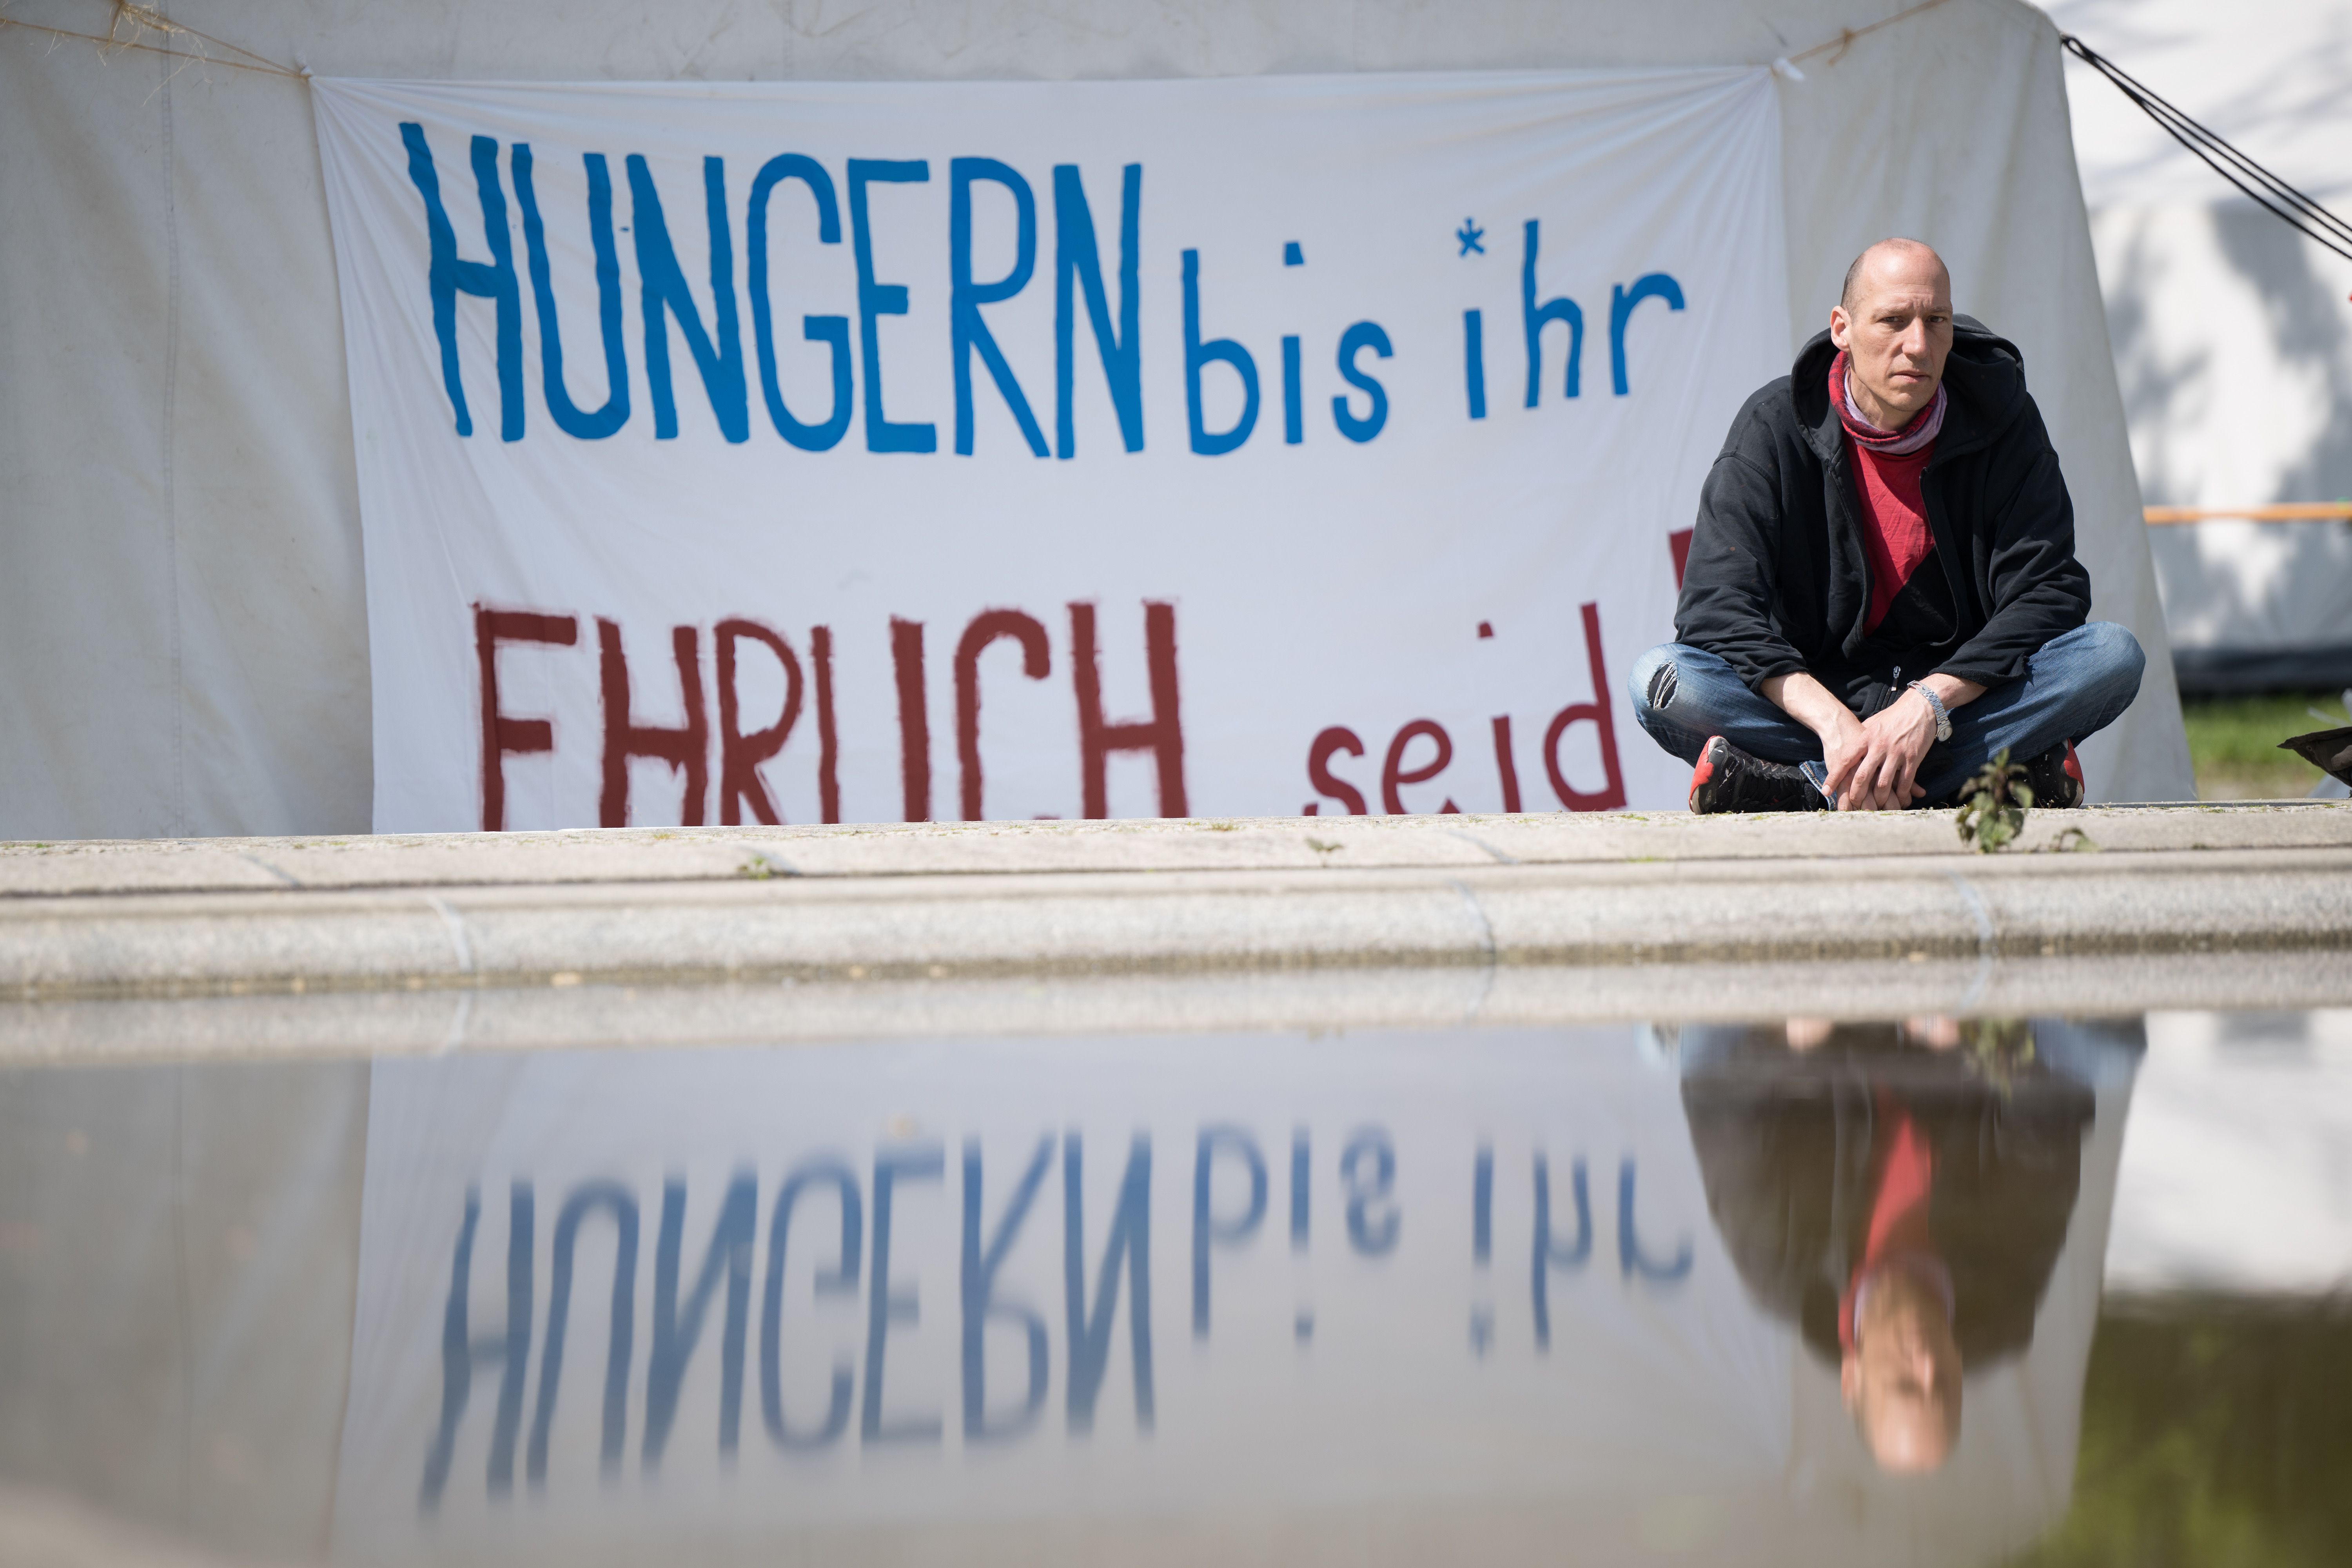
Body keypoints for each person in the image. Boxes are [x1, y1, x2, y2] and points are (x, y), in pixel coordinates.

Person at [1629, 239, 2146, 813]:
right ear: (1842, 329)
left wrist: (1926, 707)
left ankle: (1806, 788)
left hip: (1955, 705)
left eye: (1936, 320)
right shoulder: (1771, 426)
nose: (1918, 345)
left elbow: (2050, 592)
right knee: (1661, 680)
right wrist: (1835, 724)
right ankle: (1972, 779)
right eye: (1893, 321)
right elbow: (1714, 611)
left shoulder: (2005, 419)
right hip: (1817, 711)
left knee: (2111, 657)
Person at [1673, 1018, 2097, 1472]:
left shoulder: (1781, 1269)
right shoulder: (2005, 1289)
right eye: (1946, 1387)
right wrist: (1974, 1042)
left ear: (1852, 1377)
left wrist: (1790, 1041)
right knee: (2105, 1057)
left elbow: (1720, 1106)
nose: (1930, 1366)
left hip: (1817, 1032)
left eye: (1906, 1384)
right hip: (1957, 1029)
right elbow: (2051, 1120)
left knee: (1700, 1050)